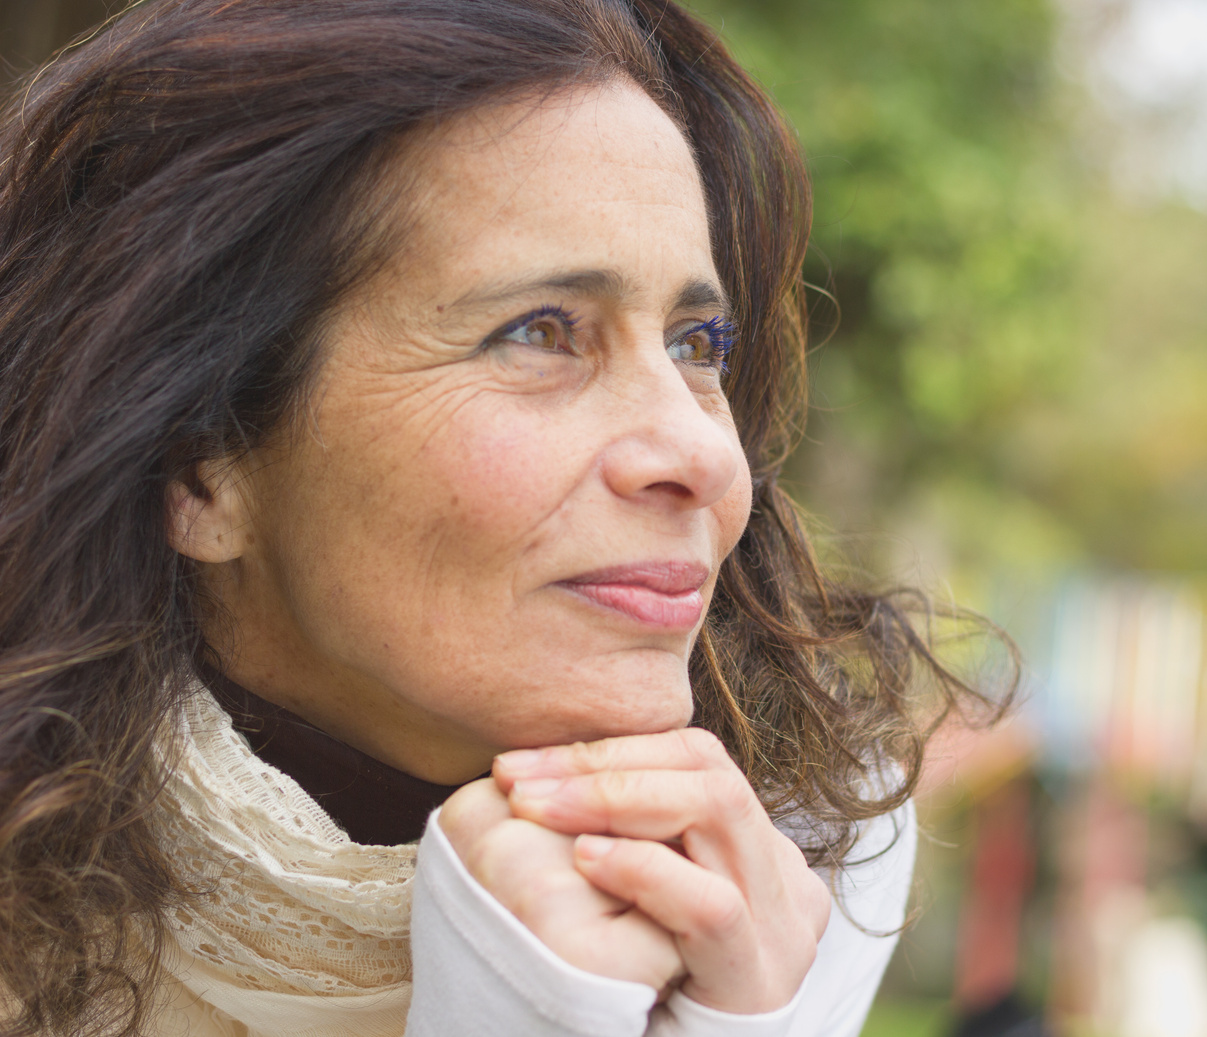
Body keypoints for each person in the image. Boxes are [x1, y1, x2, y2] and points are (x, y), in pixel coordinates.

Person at [0, 1, 1005, 1035]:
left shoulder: (799, 862)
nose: (706, 457)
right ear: (200, 467)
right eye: (538, 333)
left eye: (698, 344)